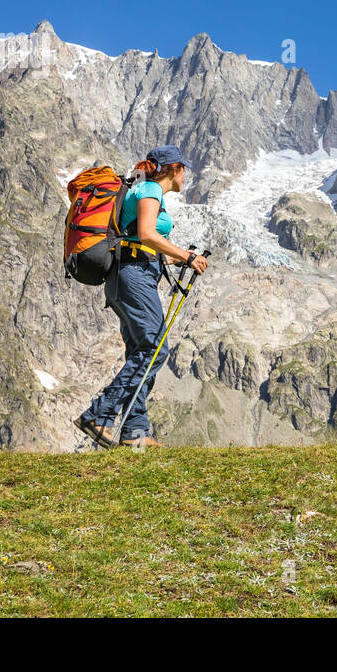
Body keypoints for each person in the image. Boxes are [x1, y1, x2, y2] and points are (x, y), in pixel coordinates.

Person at [74, 145, 208, 448]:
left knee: (142, 350)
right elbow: (147, 234)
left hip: (131, 274)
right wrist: (185, 256)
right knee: (154, 349)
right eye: (183, 168)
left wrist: (175, 259)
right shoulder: (149, 189)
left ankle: (135, 431)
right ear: (173, 169)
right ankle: (99, 414)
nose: (186, 174)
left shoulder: (143, 190)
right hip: (132, 276)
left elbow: (140, 241)